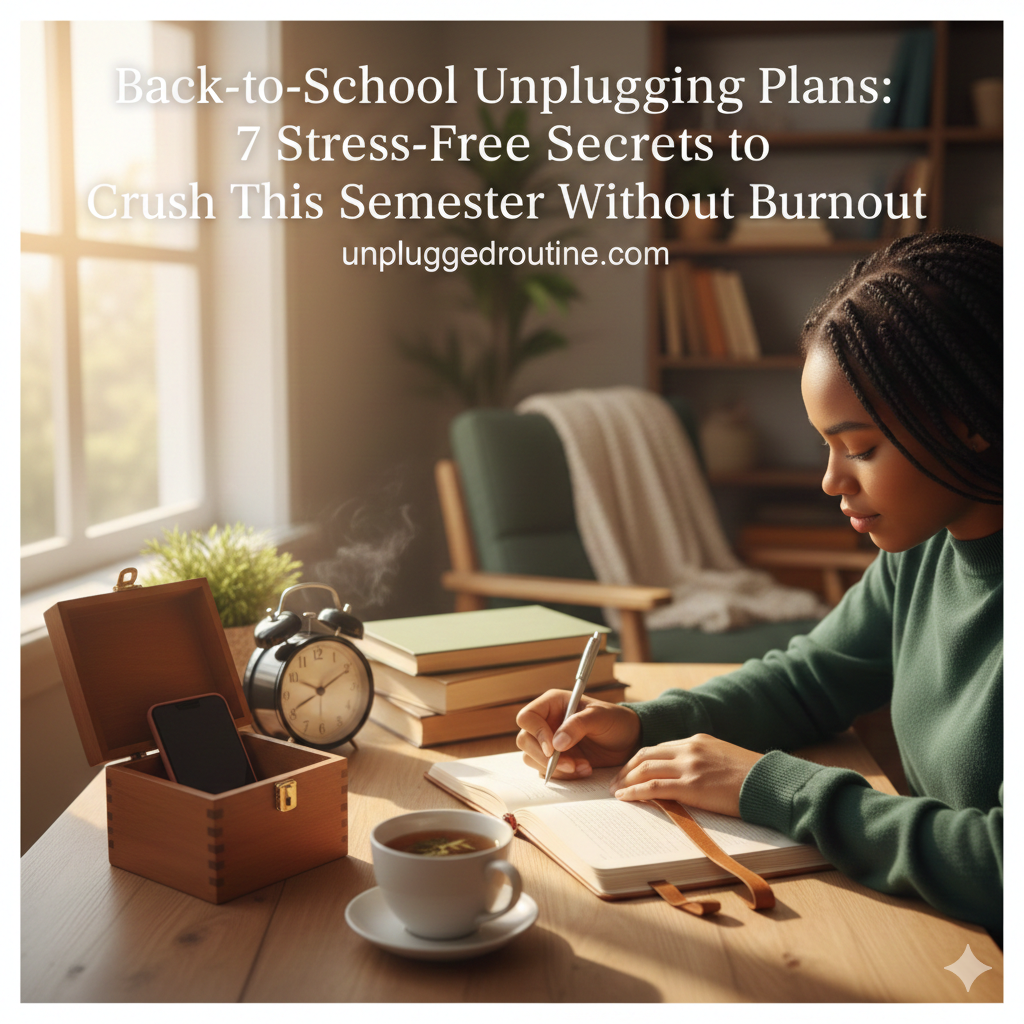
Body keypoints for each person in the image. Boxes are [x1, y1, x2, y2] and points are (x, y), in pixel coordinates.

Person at [516, 231, 1002, 934]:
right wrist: (641, 725)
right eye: (827, 447)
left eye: (860, 448)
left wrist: (768, 786)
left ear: (973, 425)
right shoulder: (924, 552)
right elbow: (809, 679)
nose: (832, 481)